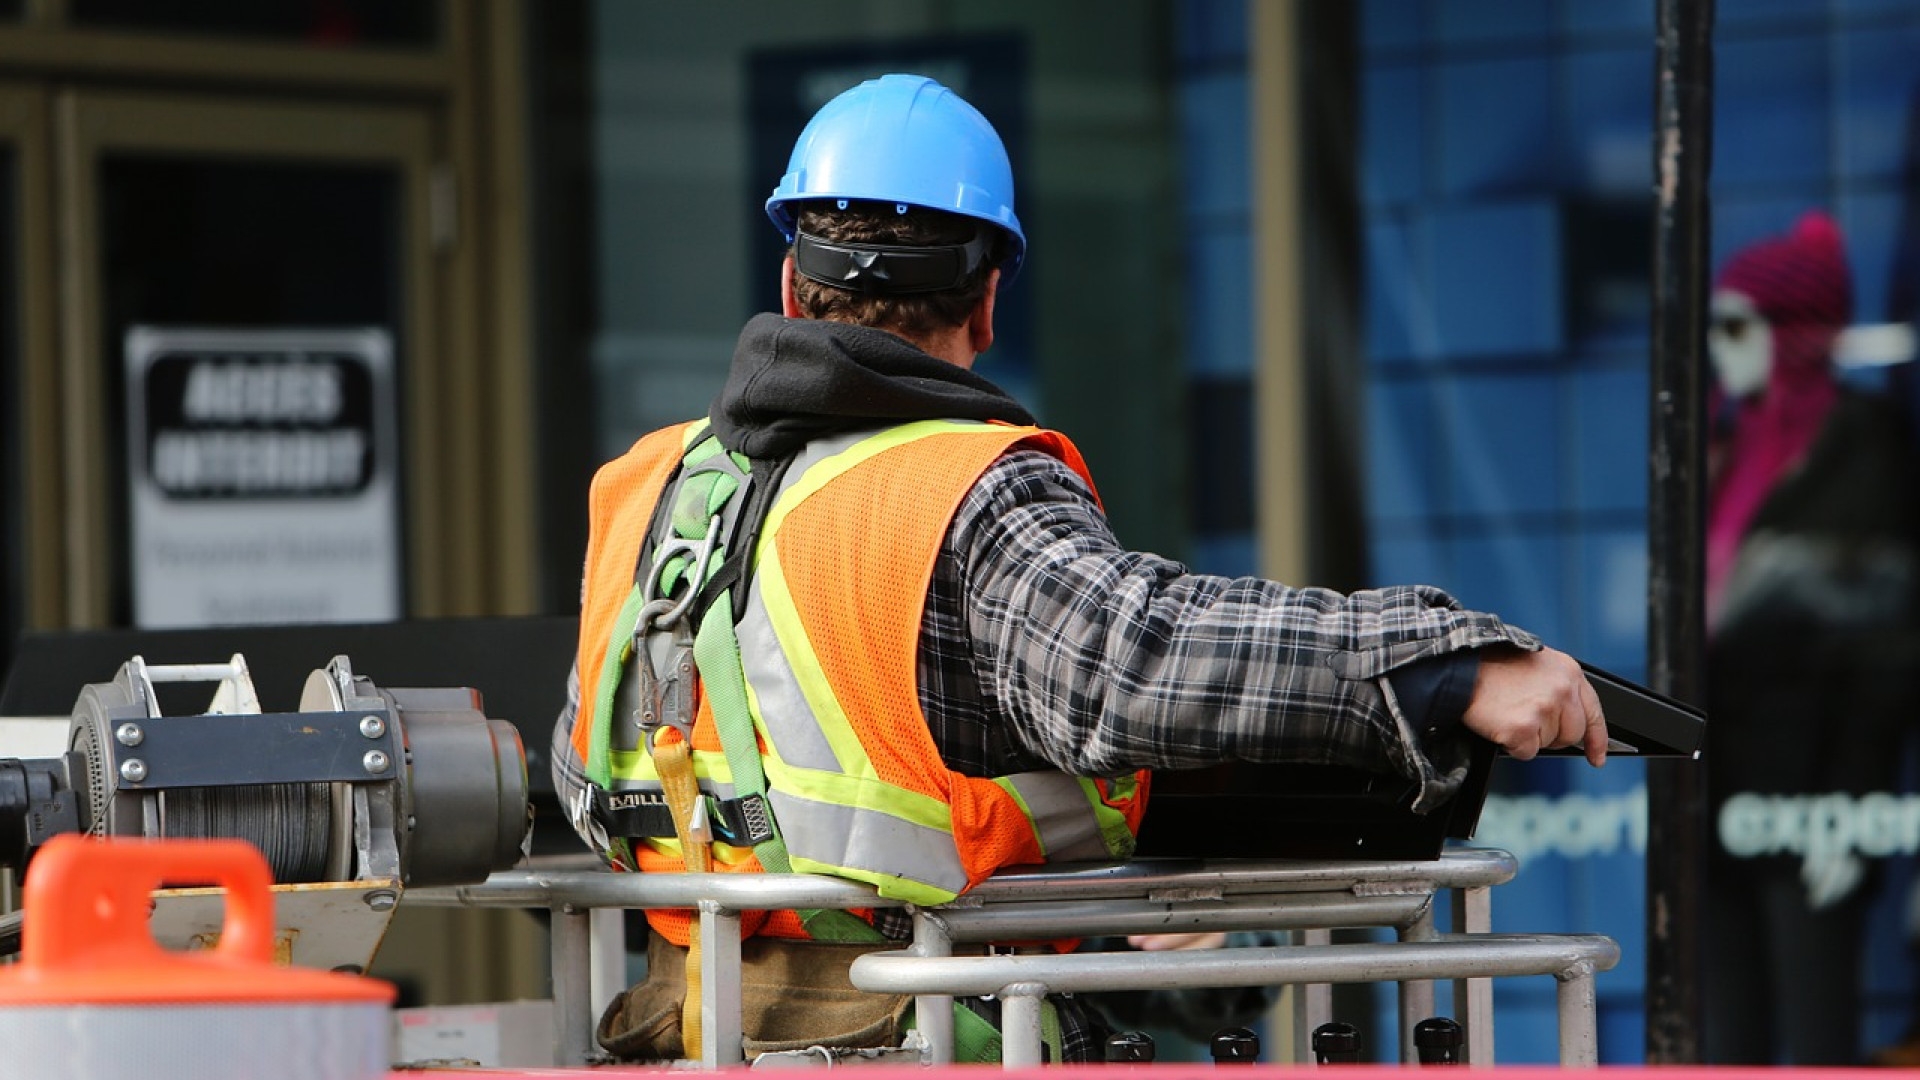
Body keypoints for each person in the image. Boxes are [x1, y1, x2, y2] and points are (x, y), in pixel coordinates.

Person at [550, 72, 1608, 1065]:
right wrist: (1446, 665)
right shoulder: (961, 490)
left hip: (683, 1037)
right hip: (923, 1039)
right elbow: (1130, 662)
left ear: (789, 279)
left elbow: (583, 759)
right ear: (989, 301)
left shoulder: (646, 490)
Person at [1700, 212, 1920, 1066]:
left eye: (1735, 325)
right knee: (1728, 1041)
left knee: (1815, 1037)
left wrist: (1850, 810)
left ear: (1792, 329)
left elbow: (1880, 652)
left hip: (1812, 792)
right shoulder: (1721, 444)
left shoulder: (1862, 447)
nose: (1720, 348)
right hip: (1718, 786)